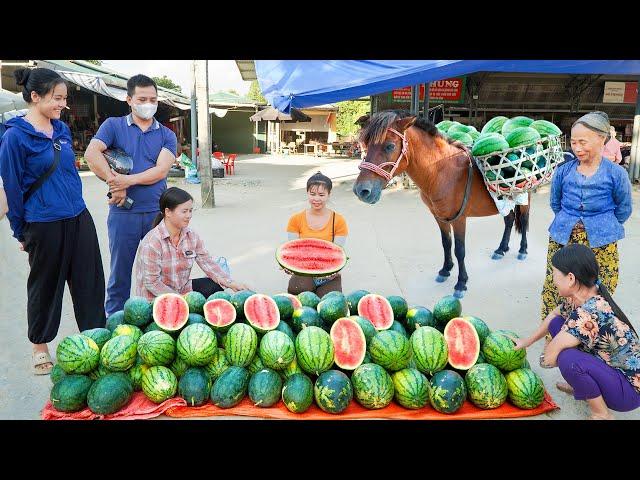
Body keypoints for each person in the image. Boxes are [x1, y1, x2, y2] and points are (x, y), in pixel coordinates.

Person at [0, 67, 106, 374]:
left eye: (64, 98)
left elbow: (69, 173)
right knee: (45, 286)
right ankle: (39, 346)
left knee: (90, 283)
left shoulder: (60, 130)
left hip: (78, 216)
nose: (63, 104)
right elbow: (14, 187)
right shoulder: (15, 138)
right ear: (35, 97)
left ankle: (94, 340)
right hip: (43, 223)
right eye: (57, 98)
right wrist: (21, 231)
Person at [85, 74, 177, 317]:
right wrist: (115, 183)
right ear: (129, 99)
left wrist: (127, 180)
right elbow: (92, 153)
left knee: (159, 273)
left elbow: (161, 170)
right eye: (142, 98)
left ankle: (162, 320)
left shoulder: (167, 135)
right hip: (123, 212)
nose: (148, 104)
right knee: (120, 275)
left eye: (153, 99)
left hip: (158, 215)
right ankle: (115, 323)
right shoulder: (113, 126)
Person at [512, 244, 640, 420]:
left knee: (568, 360)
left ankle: (601, 414)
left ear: (570, 278)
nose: (552, 279)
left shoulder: (589, 312)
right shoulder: (583, 293)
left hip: (628, 392)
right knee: (558, 325)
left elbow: (549, 357)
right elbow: (555, 314)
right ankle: (584, 386)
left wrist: (548, 359)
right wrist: (528, 341)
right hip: (612, 370)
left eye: (554, 274)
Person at [540, 111, 632, 323]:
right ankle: (555, 333)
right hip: (563, 238)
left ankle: (589, 334)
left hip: (600, 243)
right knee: (557, 286)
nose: (577, 148)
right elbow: (556, 203)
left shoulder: (616, 174)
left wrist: (602, 225)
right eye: (573, 142)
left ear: (602, 139)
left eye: (583, 142)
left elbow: (623, 209)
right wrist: (569, 221)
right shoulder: (563, 171)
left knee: (598, 287)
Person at [134, 187, 250, 300]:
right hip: (156, 298)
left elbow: (207, 263)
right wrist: (180, 299)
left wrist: (231, 283)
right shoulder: (152, 243)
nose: (189, 215)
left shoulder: (191, 236)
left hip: (182, 290)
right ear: (168, 212)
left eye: (190, 211)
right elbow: (152, 283)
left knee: (214, 286)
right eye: (184, 211)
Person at [284, 171, 348, 296]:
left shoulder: (339, 220)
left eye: (321, 195)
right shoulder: (295, 219)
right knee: (297, 292)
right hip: (304, 271)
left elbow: (337, 253)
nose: (316, 199)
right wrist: (289, 265)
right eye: (312, 194)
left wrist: (334, 269)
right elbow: (293, 251)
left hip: (329, 275)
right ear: (307, 193)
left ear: (329, 194)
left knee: (330, 302)